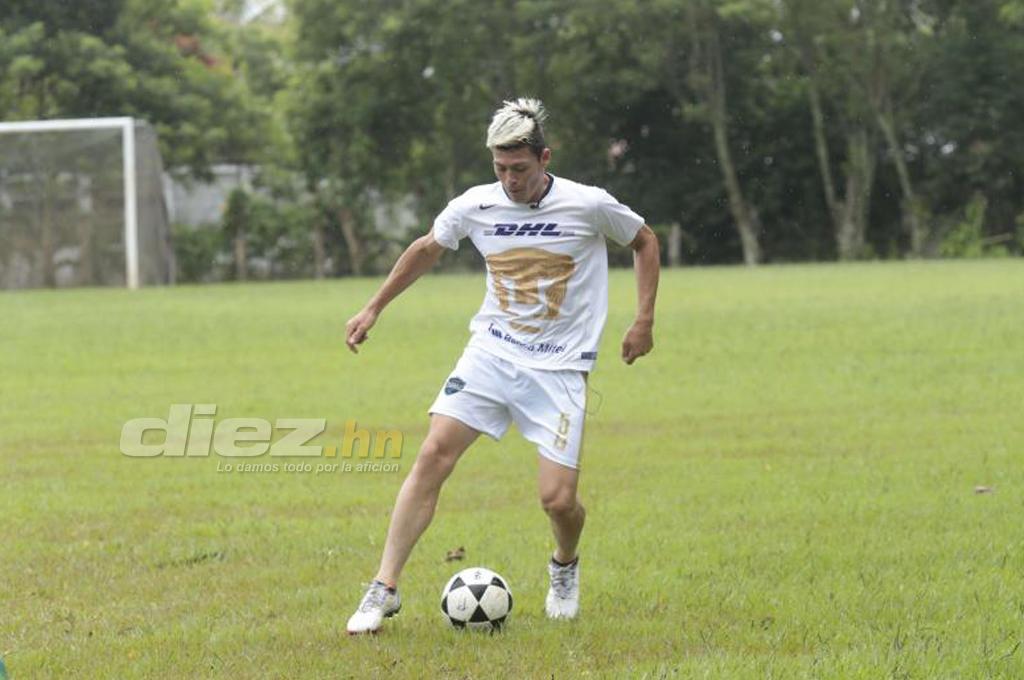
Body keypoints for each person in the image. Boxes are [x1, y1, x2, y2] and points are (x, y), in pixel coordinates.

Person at [344, 98, 660, 634]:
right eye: (500, 169)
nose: (510, 180)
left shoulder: (588, 204)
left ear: (544, 159)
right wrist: (374, 306)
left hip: (560, 369)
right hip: (491, 354)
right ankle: (385, 587)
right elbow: (426, 248)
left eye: (520, 169)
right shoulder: (476, 205)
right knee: (432, 455)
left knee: (558, 501)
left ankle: (564, 565)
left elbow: (644, 240)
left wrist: (643, 321)